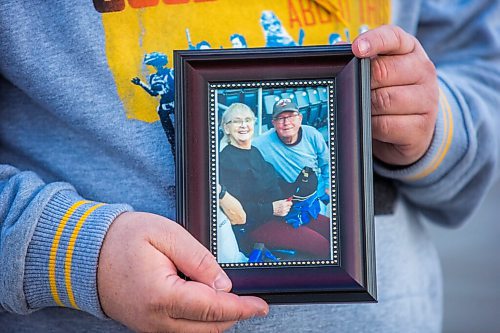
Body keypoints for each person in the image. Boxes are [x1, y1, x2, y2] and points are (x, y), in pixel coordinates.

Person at [1, 1, 499, 333]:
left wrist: (433, 120)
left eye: (259, 122)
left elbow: (481, 65)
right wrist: (73, 251)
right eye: (241, 123)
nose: (251, 129)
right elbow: (237, 197)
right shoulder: (246, 148)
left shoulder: (278, 145)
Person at [219, 103, 331, 258]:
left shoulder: (254, 151)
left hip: (283, 214)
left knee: (333, 230)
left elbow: (271, 185)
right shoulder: (226, 160)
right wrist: (271, 209)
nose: (243, 125)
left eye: (247, 120)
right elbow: (235, 211)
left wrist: (298, 186)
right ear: (226, 128)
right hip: (258, 225)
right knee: (323, 246)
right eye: (237, 121)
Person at [253, 98, 331, 211]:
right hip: (289, 199)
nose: (286, 123)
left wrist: (329, 186)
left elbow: (327, 164)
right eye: (280, 118)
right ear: (273, 123)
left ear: (300, 118)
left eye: (291, 116)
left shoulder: (312, 134)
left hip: (316, 193)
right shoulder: (261, 143)